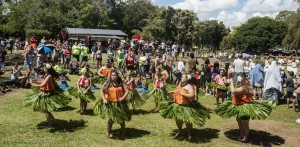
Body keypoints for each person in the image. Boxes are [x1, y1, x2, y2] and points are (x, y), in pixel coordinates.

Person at [215, 76, 275, 142]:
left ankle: (245, 137)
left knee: (245, 123)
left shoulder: (244, 88)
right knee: (239, 120)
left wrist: (231, 83)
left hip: (245, 108)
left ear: (243, 83)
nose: (238, 82)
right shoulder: (244, 87)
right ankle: (242, 134)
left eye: (239, 82)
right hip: (240, 106)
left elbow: (233, 91)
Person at [159, 74, 211, 140]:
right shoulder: (180, 84)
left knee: (188, 121)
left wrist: (182, 94)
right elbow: (177, 90)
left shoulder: (189, 86)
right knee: (178, 120)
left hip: (186, 106)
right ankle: (180, 131)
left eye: (183, 77)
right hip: (178, 105)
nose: (181, 78)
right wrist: (171, 91)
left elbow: (192, 95)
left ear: (187, 79)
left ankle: (189, 133)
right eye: (182, 77)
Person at [94, 70, 131, 139]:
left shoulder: (121, 83)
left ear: (117, 76)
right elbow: (101, 90)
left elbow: (127, 91)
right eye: (112, 75)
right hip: (110, 103)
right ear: (110, 76)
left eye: (115, 75)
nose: (113, 77)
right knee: (110, 119)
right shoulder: (108, 83)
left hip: (119, 103)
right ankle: (109, 132)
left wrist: (123, 98)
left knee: (121, 119)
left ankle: (123, 132)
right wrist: (104, 99)